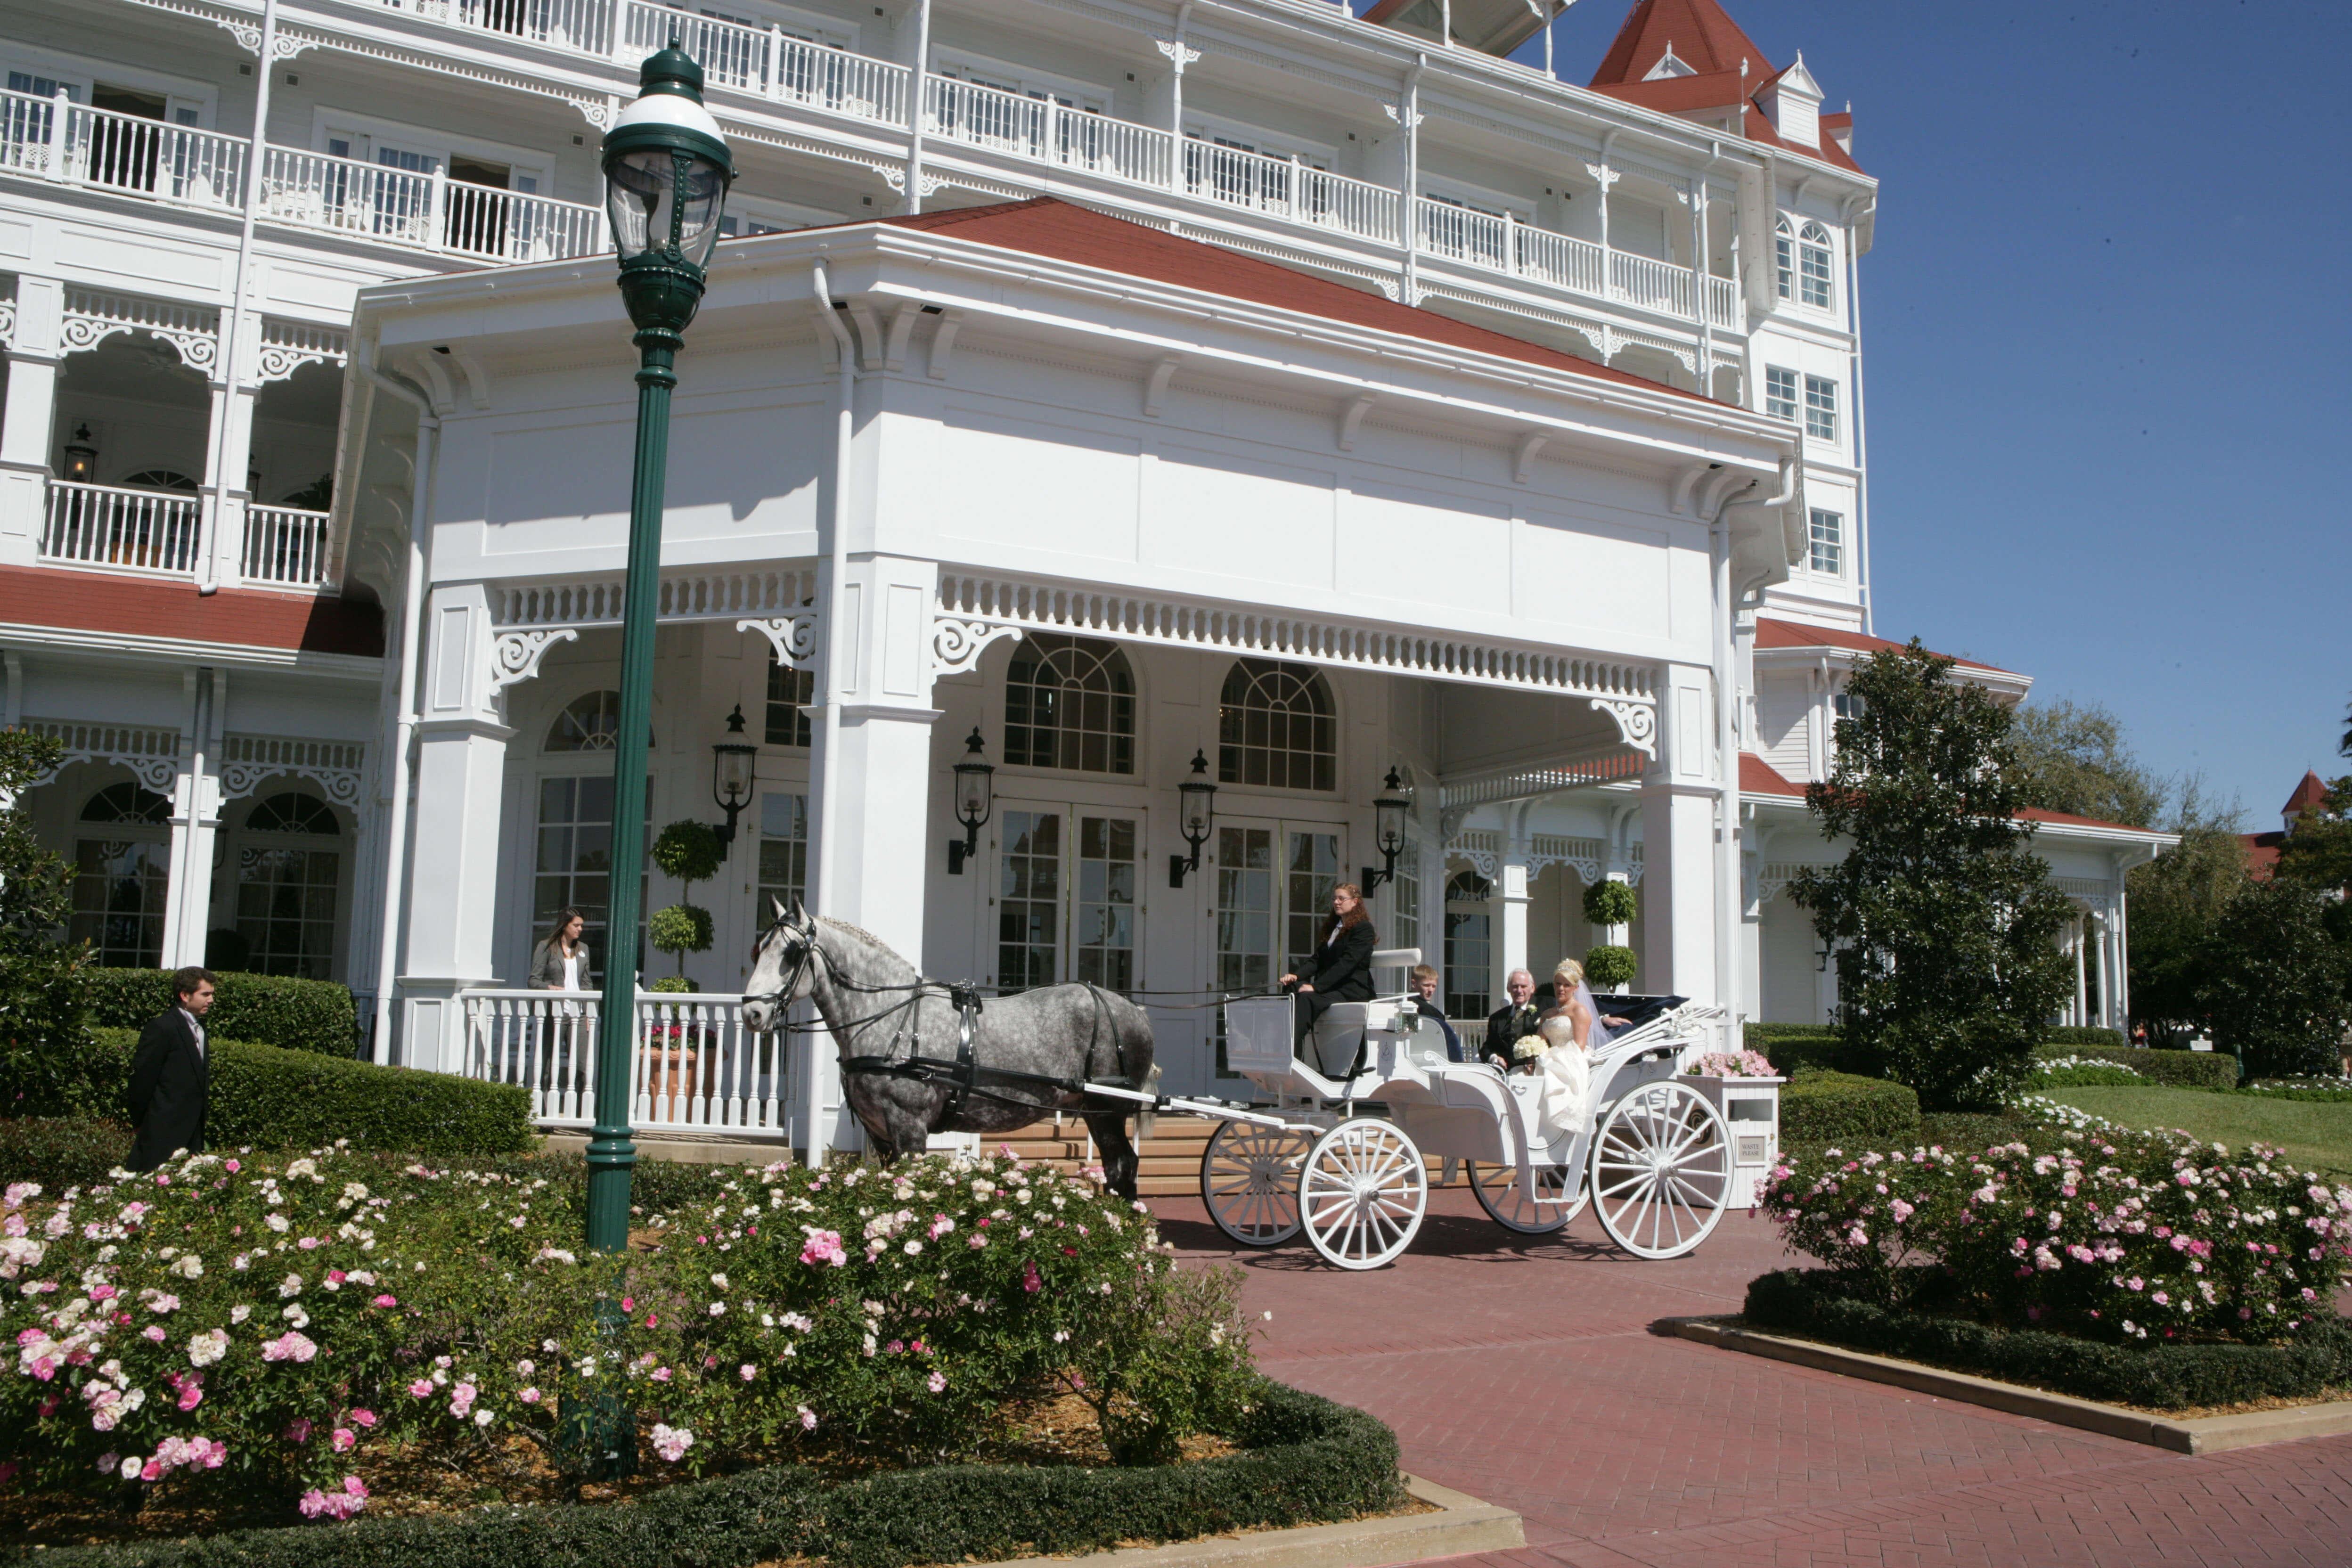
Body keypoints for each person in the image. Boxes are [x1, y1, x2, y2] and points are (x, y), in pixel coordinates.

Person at [125, 966, 215, 1172]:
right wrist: (140, 1120)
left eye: (211, 995)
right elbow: (143, 1078)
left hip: (192, 1127)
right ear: (185, 995)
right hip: (162, 1127)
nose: (211, 1000)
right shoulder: (162, 1028)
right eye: (205, 994)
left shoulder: (200, 1028)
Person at [1279, 882, 1377, 1052]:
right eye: (1335, 898)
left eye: (1342, 898)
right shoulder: (1335, 929)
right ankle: (1282, 1042)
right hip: (1333, 989)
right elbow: (1317, 960)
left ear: (1355, 902)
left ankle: (1289, 1049)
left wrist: (1315, 987)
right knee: (1291, 989)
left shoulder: (1363, 929)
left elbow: (1347, 964)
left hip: (1350, 990)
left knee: (1307, 998)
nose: (1337, 902)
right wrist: (1296, 976)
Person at [1407, 964, 1464, 1062]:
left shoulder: (1403, 1004)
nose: (1431, 990)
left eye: (1434, 986)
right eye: (1426, 985)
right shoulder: (1427, 1010)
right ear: (1414, 984)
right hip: (1429, 1059)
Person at [528, 909, 593, 991]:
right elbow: (533, 981)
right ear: (564, 926)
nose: (580, 929)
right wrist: (551, 988)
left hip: (577, 1003)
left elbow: (587, 983)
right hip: (555, 1002)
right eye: (576, 925)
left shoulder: (583, 948)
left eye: (581, 926)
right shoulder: (546, 946)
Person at [1486, 970, 1541, 1065]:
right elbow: (1488, 1048)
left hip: (1536, 1071)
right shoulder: (1496, 1018)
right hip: (1505, 1071)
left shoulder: (1544, 1010)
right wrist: (1494, 1058)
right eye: (1515, 987)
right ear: (1508, 988)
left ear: (1532, 988)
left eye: (1523, 986)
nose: (1519, 991)